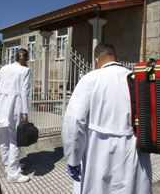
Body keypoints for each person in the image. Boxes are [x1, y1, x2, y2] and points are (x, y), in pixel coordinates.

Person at [61, 43, 152, 194]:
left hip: (99, 156)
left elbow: (74, 121)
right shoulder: (136, 78)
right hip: (135, 153)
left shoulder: (90, 79)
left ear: (96, 60)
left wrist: (73, 159)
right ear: (117, 58)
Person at [0, 49, 32, 183]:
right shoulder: (25, 71)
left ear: (15, 57)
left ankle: (9, 166)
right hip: (14, 107)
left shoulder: (5, 68)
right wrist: (25, 112)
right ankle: (13, 174)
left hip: (0, 105)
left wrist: (3, 92)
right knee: (14, 140)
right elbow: (25, 92)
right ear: (27, 58)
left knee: (3, 138)